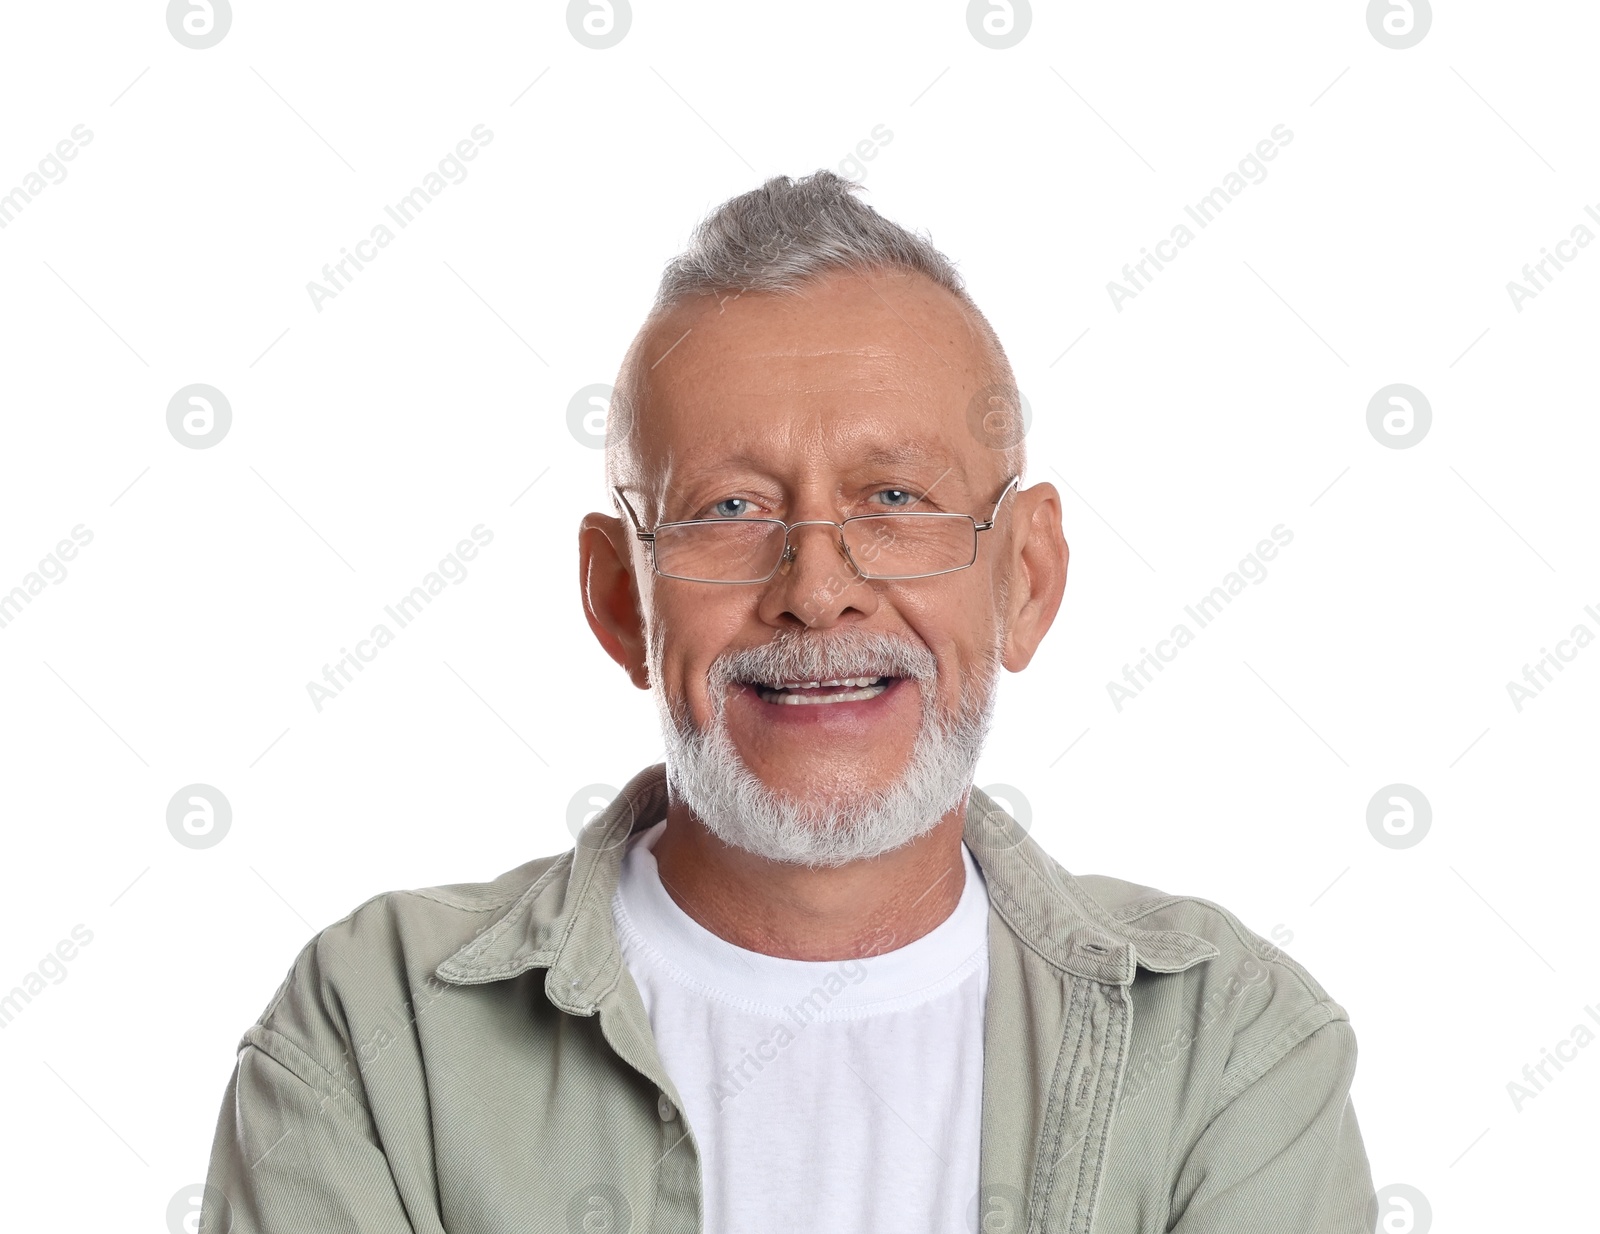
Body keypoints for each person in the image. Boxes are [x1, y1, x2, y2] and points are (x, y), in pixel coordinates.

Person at [200, 170, 1375, 1233]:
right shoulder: (373, 1035)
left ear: (1024, 577)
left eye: (895, 497)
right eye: (728, 510)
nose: (817, 590)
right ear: (621, 600)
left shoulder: (1231, 1049)